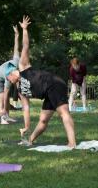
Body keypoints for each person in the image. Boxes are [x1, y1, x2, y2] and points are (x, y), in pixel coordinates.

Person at [6, 16, 76, 147]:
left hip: (54, 83)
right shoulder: (21, 91)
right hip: (47, 93)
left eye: (12, 72)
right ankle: (30, 140)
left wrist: (24, 30)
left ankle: (72, 143)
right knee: (43, 120)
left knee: (63, 113)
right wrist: (26, 126)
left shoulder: (23, 67)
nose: (12, 74)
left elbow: (25, 46)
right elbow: (26, 108)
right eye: (9, 75)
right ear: (11, 80)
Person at [0, 25, 20, 124]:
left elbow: (16, 49)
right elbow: (6, 94)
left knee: (7, 97)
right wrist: (3, 108)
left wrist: (17, 35)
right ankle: (3, 117)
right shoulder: (8, 79)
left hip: (4, 75)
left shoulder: (16, 63)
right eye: (14, 81)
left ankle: (7, 116)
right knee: (3, 95)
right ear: (11, 77)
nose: (14, 83)